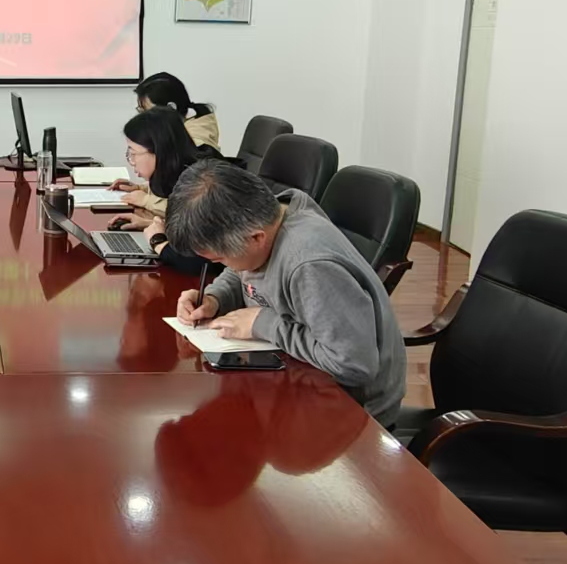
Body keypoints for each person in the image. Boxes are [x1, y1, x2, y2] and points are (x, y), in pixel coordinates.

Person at [165, 160, 406, 428]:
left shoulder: (309, 265)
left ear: (256, 238)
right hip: (296, 374)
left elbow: (353, 364)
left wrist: (264, 324)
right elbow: (242, 270)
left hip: (351, 413)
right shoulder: (270, 215)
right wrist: (215, 298)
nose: (224, 265)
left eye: (220, 259)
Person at [109, 107, 224, 276]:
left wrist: (158, 242)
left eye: (133, 153)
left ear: (159, 151)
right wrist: (149, 224)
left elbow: (206, 261)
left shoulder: (201, 185)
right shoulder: (181, 176)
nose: (131, 161)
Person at [135, 72, 221, 152]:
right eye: (140, 111)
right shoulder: (177, 127)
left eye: (147, 112)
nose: (143, 119)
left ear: (170, 108)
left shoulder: (196, 143)